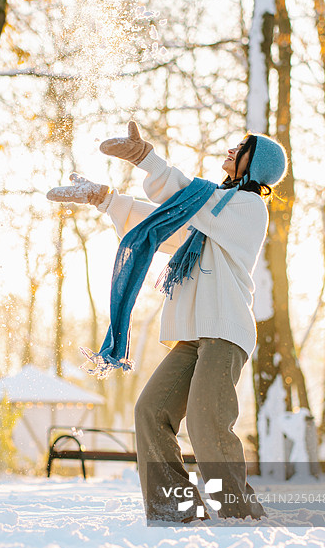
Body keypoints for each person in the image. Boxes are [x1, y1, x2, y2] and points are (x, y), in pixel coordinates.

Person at [47, 122, 287, 523]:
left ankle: (238, 513)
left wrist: (148, 160)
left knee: (207, 420)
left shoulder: (247, 209)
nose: (231, 149)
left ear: (254, 166)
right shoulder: (212, 210)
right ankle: (176, 508)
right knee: (150, 412)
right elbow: (165, 223)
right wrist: (106, 199)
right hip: (192, 335)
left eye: (241, 147)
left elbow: (190, 201)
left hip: (224, 331)